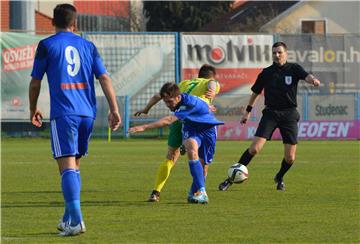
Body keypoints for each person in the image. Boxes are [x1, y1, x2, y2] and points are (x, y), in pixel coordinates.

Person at [29, 4, 121, 236]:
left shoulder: (47, 45)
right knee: (75, 165)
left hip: (64, 114)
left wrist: (33, 108)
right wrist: (114, 109)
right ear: (75, 23)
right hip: (86, 114)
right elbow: (104, 78)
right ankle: (68, 216)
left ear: (52, 22)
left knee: (66, 166)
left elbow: (35, 81)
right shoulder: (88, 46)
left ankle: (77, 221)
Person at [218, 41, 321, 191]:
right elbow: (255, 93)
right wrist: (247, 111)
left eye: (279, 52)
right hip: (271, 113)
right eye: (274, 53)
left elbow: (306, 76)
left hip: (289, 114)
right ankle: (230, 179)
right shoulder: (266, 73)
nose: (277, 55)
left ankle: (279, 177)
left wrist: (313, 80)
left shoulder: (294, 68)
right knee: (254, 149)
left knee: (290, 158)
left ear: (286, 53)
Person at [134, 64, 220, 202]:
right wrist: (213, 91)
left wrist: (146, 109)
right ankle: (199, 191)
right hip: (195, 121)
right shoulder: (209, 81)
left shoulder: (184, 83)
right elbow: (212, 84)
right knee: (202, 163)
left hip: (179, 121)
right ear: (212, 75)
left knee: (170, 157)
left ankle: (156, 192)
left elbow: (158, 95)